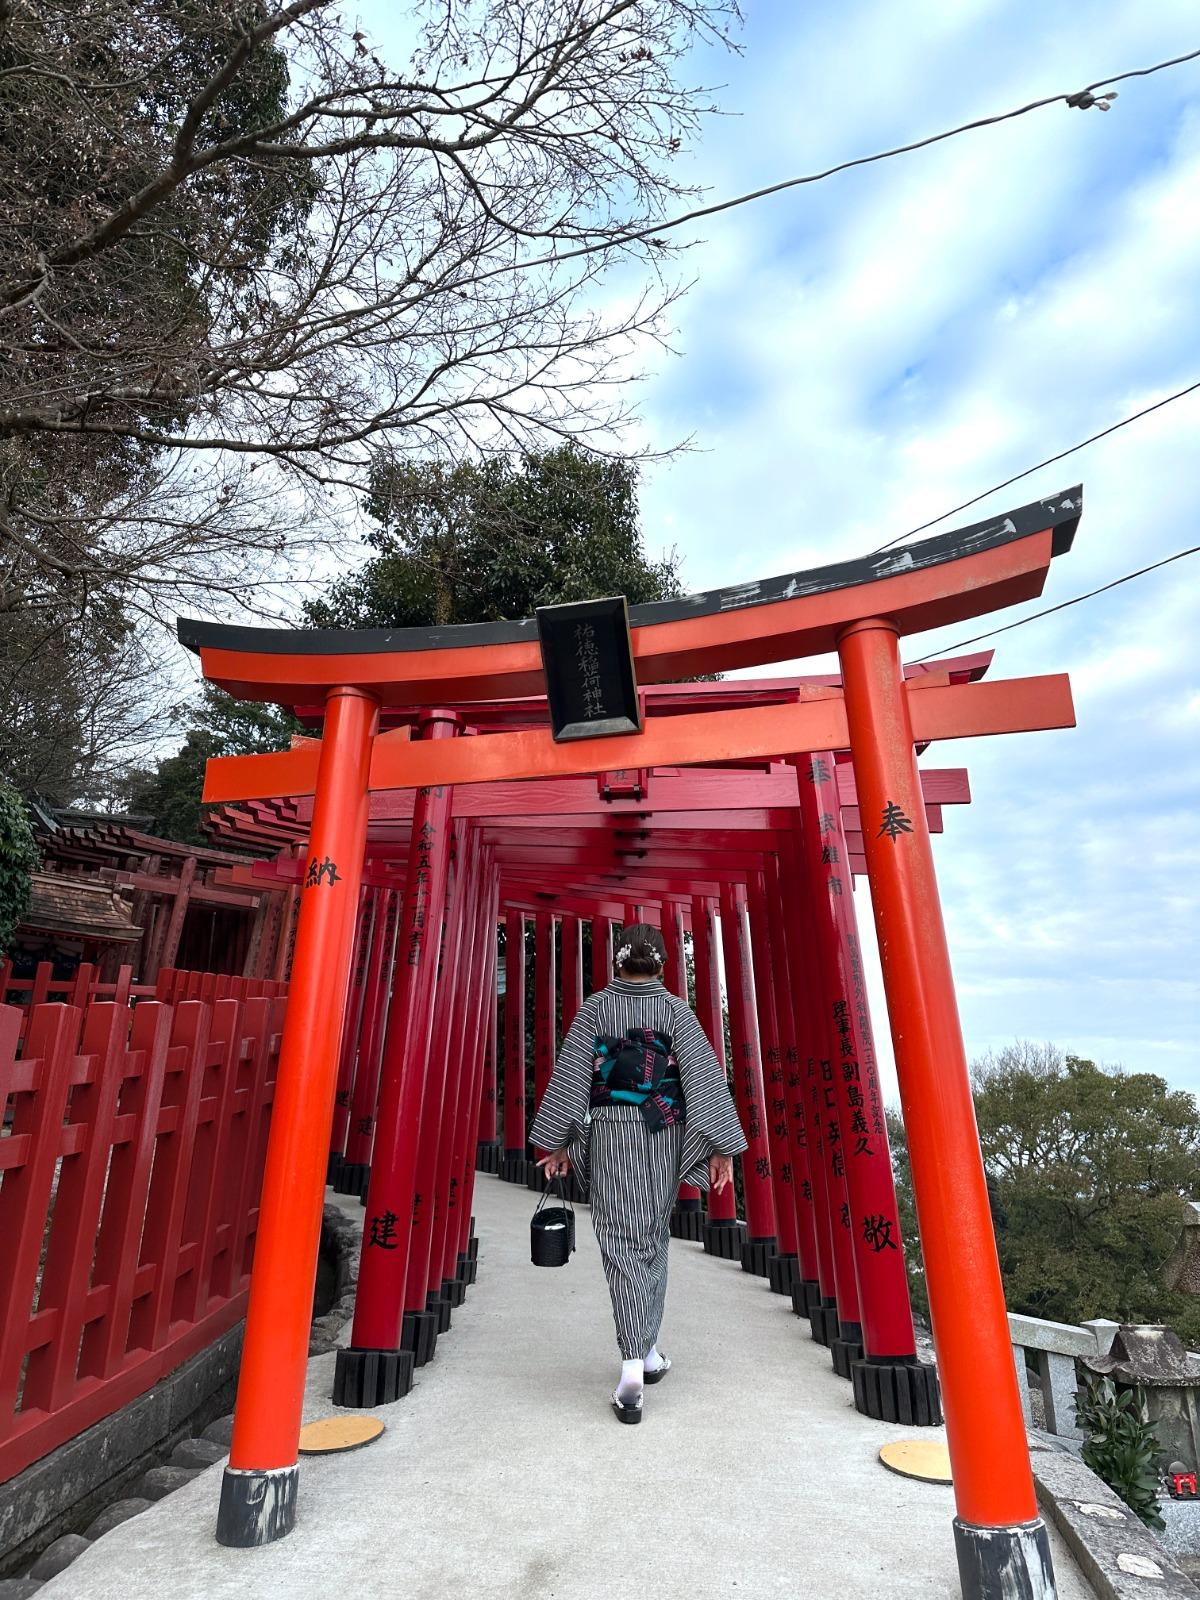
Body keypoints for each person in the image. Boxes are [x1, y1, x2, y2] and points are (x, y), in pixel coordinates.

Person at [530, 923, 747, 1424]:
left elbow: (570, 1077)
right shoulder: (675, 1010)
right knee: (651, 1238)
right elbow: (703, 1076)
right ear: (664, 965)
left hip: (609, 1134)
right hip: (660, 1134)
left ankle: (635, 1366)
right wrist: (722, 1148)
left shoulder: (596, 1009)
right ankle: (642, 1354)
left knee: (620, 1245)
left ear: (616, 962)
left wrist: (561, 1141)